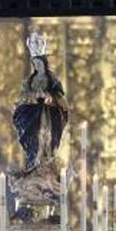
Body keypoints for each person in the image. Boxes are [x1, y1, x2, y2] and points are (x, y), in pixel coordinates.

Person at [12, 32, 68, 173]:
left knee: (46, 134)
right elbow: (23, 95)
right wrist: (33, 96)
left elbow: (59, 94)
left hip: (48, 111)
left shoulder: (52, 78)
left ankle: (46, 158)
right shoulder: (30, 80)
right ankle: (35, 158)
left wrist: (48, 95)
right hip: (33, 113)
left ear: (43, 63)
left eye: (38, 63)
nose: (36, 66)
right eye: (34, 64)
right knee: (34, 135)